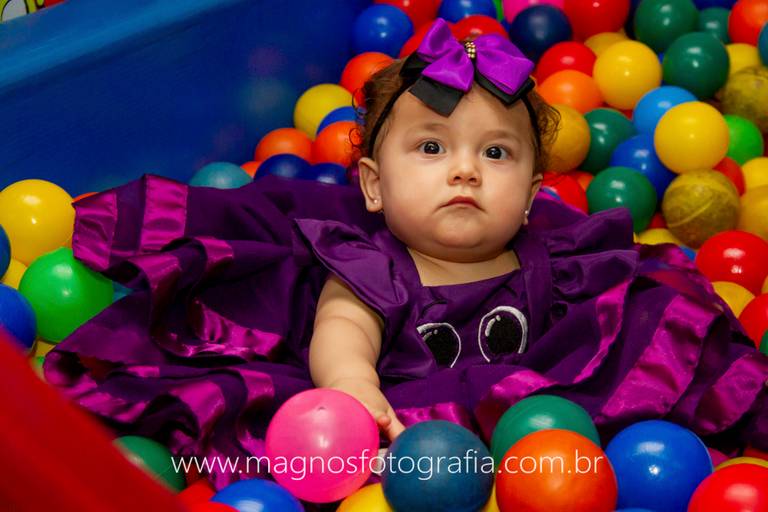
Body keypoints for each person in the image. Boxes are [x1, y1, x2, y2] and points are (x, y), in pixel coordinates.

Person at [45, 19, 767, 491]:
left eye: (496, 153)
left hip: (542, 447)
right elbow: (342, 331)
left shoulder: (557, 264)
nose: (465, 170)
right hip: (410, 439)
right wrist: (353, 385)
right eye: (430, 148)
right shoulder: (372, 267)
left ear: (531, 196)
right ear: (373, 186)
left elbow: (608, 333)